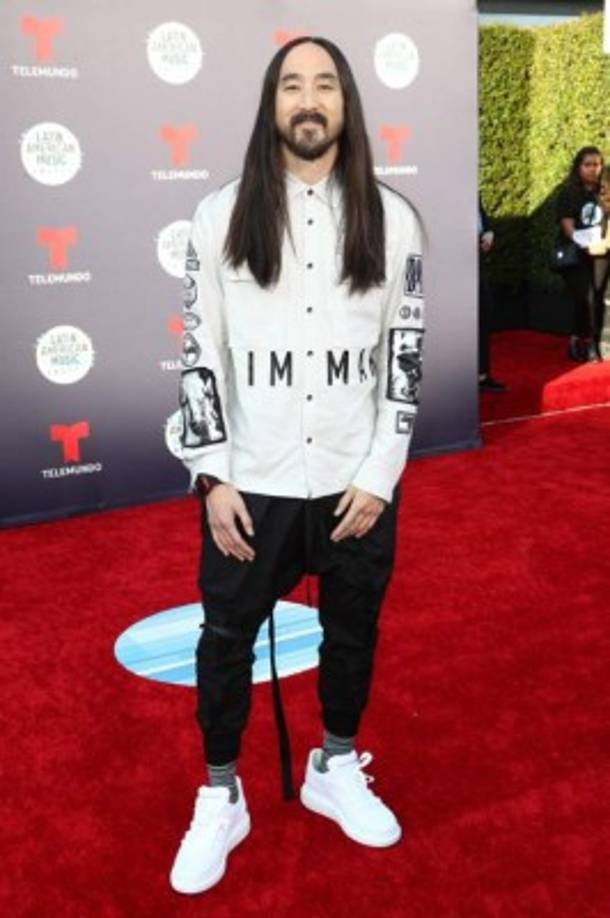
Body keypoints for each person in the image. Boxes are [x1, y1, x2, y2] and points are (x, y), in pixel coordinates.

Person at [169, 36, 425, 895]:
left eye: (324, 84)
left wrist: (382, 473)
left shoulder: (395, 220)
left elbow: (405, 356)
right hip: (252, 482)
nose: (307, 100)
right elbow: (199, 350)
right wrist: (210, 473)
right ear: (271, 104)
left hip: (357, 485)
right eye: (291, 85)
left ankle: (336, 766)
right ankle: (219, 796)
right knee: (224, 642)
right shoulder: (220, 217)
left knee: (354, 634)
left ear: (347, 104)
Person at [556, 146, 604, 361]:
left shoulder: (604, 191)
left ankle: (589, 341)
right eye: (588, 165)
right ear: (578, 167)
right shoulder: (568, 193)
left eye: (598, 164)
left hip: (601, 254)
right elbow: (568, 227)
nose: (594, 169)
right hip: (575, 255)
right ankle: (581, 341)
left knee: (596, 297)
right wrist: (585, 244)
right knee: (586, 296)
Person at [478, 197, 507, 391]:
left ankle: (481, 375)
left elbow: (481, 217)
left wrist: (488, 233)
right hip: (452, 266)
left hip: (475, 262)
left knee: (484, 313)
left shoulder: (471, 186)